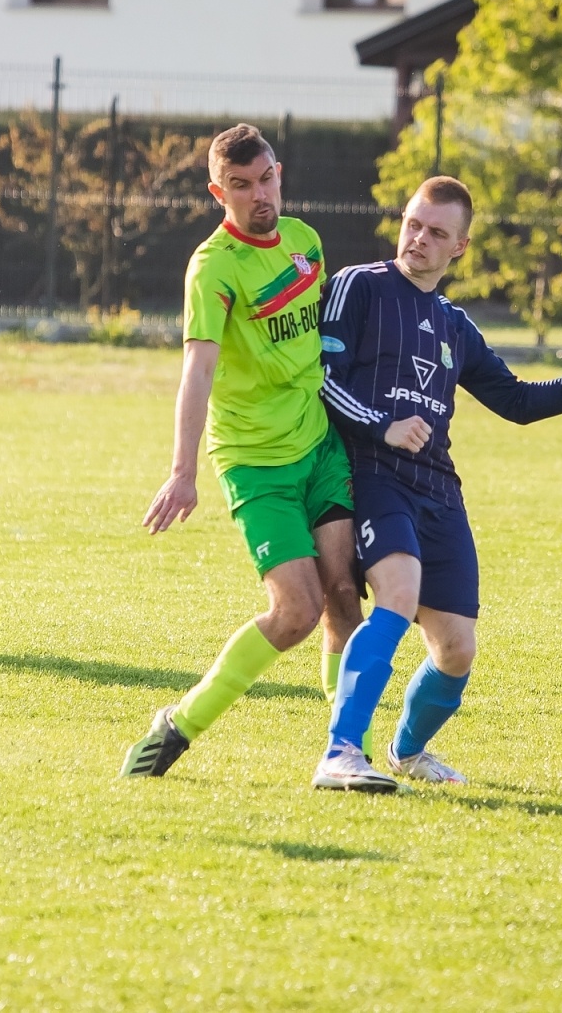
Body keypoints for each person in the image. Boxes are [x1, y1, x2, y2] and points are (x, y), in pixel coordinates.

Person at [311, 176, 562, 792]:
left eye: (436, 233)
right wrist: (383, 425)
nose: (419, 239)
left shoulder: (453, 325)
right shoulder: (360, 285)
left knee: (457, 649)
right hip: (373, 475)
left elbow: (517, 400)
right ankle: (340, 752)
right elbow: (322, 380)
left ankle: (407, 751)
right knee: (397, 594)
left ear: (459, 247)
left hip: (438, 491)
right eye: (413, 224)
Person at [121, 123, 363, 777]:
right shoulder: (214, 267)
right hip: (257, 463)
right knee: (297, 611)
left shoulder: (306, 241)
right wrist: (183, 472)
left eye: (266, 179)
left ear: (279, 174)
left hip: (321, 446)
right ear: (217, 192)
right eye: (241, 185)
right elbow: (197, 370)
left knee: (345, 592)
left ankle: (347, 748)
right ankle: (180, 724)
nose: (259, 195)